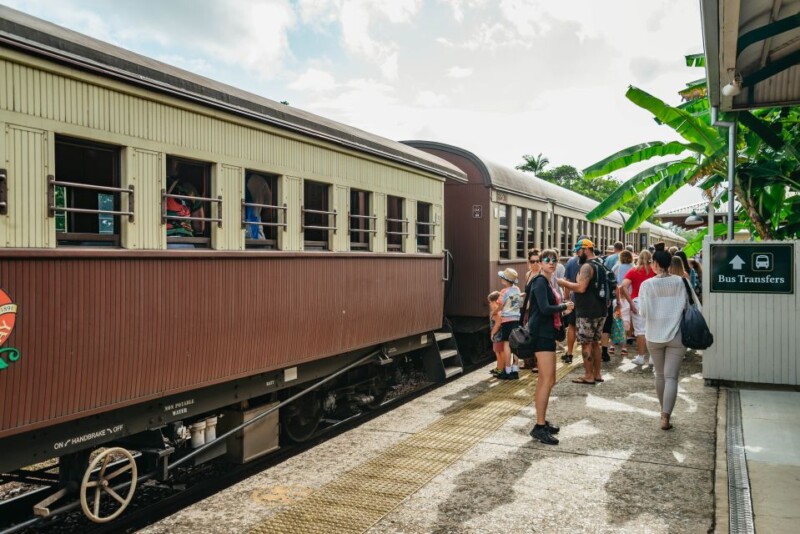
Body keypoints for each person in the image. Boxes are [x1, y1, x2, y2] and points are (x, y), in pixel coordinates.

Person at [638, 245, 700, 430]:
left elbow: (643, 312)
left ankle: (662, 409)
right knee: (672, 377)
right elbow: (693, 306)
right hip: (677, 335)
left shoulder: (647, 285)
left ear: (655, 264)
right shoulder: (682, 282)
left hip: (654, 335)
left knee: (660, 374)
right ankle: (666, 416)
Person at [528, 249, 574, 445]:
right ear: (539, 262)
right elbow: (545, 309)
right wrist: (564, 307)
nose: (551, 262)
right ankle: (539, 427)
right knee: (546, 381)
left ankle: (541, 421)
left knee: (547, 380)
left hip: (546, 334)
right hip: (541, 336)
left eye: (554, 260)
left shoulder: (546, 281)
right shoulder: (539, 282)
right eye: (547, 260)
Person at [558, 238, 607, 384]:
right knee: (596, 343)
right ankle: (597, 374)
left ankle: (588, 375)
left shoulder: (587, 267)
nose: (577, 255)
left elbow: (581, 288)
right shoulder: (600, 263)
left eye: (579, 251)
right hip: (600, 309)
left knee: (586, 343)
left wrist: (562, 282)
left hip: (587, 311)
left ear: (586, 249)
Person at [620, 249, 655, 366]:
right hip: (653, 302)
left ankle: (641, 356)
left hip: (637, 301)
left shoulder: (633, 271)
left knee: (640, 331)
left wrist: (630, 303)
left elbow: (623, 286)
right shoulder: (655, 271)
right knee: (653, 330)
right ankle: (653, 358)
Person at [166, 160, 204, 247]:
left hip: (162, 241)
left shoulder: (155, 183)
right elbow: (199, 226)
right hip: (186, 240)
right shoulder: (190, 189)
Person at [560, 239, 585, 364]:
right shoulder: (593, 261)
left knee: (572, 326)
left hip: (575, 299)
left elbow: (567, 282)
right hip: (589, 302)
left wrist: (567, 299)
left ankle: (569, 353)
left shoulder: (570, 261)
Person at [519, 248, 542, 371]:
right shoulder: (528, 274)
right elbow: (528, 291)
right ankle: (528, 361)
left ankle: (539, 363)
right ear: (529, 262)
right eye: (532, 261)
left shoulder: (543, 274)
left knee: (537, 335)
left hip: (537, 309)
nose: (535, 264)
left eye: (538, 261)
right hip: (527, 309)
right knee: (526, 334)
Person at [496, 268, 521, 380]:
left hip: (506, 320)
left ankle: (507, 370)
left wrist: (494, 311)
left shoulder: (503, 292)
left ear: (505, 280)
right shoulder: (517, 289)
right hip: (516, 319)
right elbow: (519, 303)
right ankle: (515, 370)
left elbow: (500, 305)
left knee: (507, 344)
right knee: (515, 344)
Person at [612, 249, 634, 356]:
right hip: (629, 296)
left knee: (616, 318)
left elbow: (612, 280)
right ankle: (627, 340)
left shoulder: (617, 267)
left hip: (618, 296)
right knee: (627, 320)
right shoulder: (633, 268)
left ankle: (613, 343)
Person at [488, 291, 504, 376]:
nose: (489, 304)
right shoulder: (497, 311)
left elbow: (497, 324)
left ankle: (500, 369)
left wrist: (492, 333)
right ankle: (499, 368)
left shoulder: (497, 312)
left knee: (499, 352)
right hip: (498, 335)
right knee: (498, 352)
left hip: (498, 335)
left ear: (495, 301)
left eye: (490, 302)